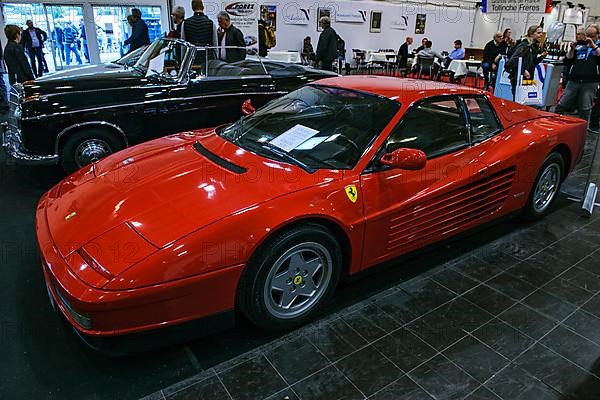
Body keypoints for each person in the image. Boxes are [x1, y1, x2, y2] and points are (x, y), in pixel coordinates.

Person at [555, 24, 600, 128]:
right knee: (562, 104)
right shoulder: (581, 46)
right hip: (574, 80)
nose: (589, 38)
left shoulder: (597, 46)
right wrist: (572, 49)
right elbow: (568, 60)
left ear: (598, 35)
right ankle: (556, 124)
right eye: (587, 35)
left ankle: (581, 130)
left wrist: (594, 46)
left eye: (592, 36)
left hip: (590, 82)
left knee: (585, 108)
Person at [505, 25, 545, 100]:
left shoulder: (534, 46)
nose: (541, 35)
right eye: (539, 33)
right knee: (518, 99)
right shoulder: (525, 45)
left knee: (526, 99)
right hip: (518, 77)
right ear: (531, 34)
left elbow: (533, 63)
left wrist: (542, 57)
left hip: (529, 77)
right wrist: (524, 71)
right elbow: (514, 60)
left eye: (541, 33)